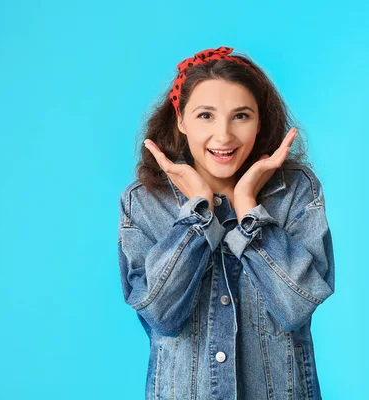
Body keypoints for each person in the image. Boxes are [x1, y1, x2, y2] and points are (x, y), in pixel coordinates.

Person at [117, 45, 335, 400]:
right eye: (206, 115)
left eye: (241, 116)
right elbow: (160, 313)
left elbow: (297, 304)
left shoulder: (293, 190)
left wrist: (249, 212)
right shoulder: (145, 200)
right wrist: (197, 216)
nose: (224, 136)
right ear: (181, 120)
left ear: (259, 121)